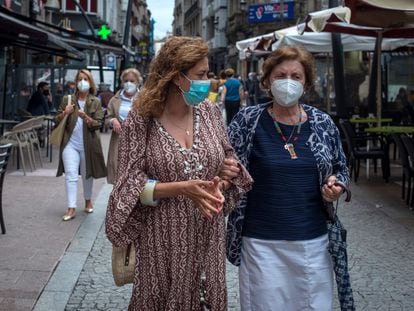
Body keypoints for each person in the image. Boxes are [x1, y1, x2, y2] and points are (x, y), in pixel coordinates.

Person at [105, 36, 252, 310]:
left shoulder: (208, 112)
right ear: (176, 76)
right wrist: (181, 188)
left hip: (207, 235)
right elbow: (127, 186)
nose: (207, 80)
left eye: (207, 73)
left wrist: (226, 173)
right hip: (161, 238)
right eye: (201, 74)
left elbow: (227, 155)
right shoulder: (142, 119)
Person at [226, 45, 354, 310]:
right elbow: (226, 168)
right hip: (260, 242)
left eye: (296, 76)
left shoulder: (322, 123)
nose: (287, 82)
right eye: (280, 75)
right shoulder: (247, 121)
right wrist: (224, 172)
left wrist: (336, 186)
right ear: (267, 80)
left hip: (313, 242)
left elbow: (341, 168)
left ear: (306, 83)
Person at [55, 69, 107, 221]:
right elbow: (56, 120)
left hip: (88, 144)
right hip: (70, 144)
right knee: (71, 175)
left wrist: (86, 118)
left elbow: (98, 124)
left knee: (87, 174)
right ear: (76, 83)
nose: (82, 82)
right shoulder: (68, 99)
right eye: (80, 79)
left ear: (90, 83)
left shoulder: (95, 101)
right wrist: (65, 112)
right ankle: (71, 207)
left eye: (85, 79)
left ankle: (88, 200)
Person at [106, 68, 142, 184]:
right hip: (118, 140)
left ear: (138, 82)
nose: (128, 83)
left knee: (135, 175)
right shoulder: (115, 99)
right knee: (118, 174)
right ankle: (118, 200)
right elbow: (107, 118)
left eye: (132, 80)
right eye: (126, 80)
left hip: (137, 142)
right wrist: (113, 120)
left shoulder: (145, 99)